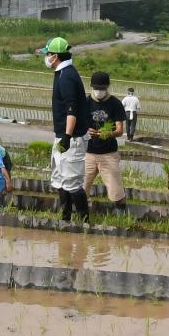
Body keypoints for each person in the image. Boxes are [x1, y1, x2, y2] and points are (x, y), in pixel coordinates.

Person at [42, 36, 91, 221]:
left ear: (55, 56)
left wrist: (67, 136)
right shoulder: (62, 73)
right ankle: (66, 218)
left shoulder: (67, 77)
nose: (46, 58)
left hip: (72, 138)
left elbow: (72, 109)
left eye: (48, 54)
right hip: (62, 135)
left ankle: (84, 222)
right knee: (59, 177)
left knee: (72, 181)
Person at [82, 71, 127, 205]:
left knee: (116, 191)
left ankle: (122, 216)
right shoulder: (86, 101)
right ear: (91, 87)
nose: (99, 91)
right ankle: (80, 215)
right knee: (80, 188)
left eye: (102, 89)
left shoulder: (115, 103)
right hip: (88, 153)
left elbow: (119, 130)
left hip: (108, 154)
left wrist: (108, 133)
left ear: (107, 87)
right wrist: (86, 130)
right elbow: (78, 124)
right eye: (96, 88)